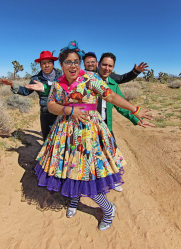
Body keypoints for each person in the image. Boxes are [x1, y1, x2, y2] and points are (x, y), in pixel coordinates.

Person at [25, 41, 153, 231]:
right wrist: (68, 110)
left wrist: (135, 109)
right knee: (69, 169)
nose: (73, 65)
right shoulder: (57, 85)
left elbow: (110, 96)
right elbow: (51, 106)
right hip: (64, 135)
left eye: (76, 62)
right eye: (68, 62)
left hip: (89, 134)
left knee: (88, 173)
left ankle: (108, 209)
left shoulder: (91, 79)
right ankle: (75, 199)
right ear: (61, 65)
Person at [97, 53, 155, 191]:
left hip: (106, 125)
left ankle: (113, 180)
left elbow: (121, 106)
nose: (106, 68)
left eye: (110, 66)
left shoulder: (113, 84)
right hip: (88, 126)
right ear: (98, 64)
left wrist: (136, 119)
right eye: (104, 64)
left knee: (111, 152)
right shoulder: (88, 81)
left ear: (113, 68)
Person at [0, 51, 61, 140]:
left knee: (60, 140)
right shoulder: (36, 79)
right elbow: (25, 91)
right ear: (40, 65)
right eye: (43, 63)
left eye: (49, 62)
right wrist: (12, 84)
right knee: (47, 140)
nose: (46, 65)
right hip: (45, 113)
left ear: (53, 64)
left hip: (60, 112)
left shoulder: (61, 76)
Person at [83, 51, 148, 83]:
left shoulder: (108, 77)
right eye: (87, 62)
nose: (107, 68)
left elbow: (122, 78)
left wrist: (135, 72)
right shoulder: (79, 77)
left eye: (110, 66)